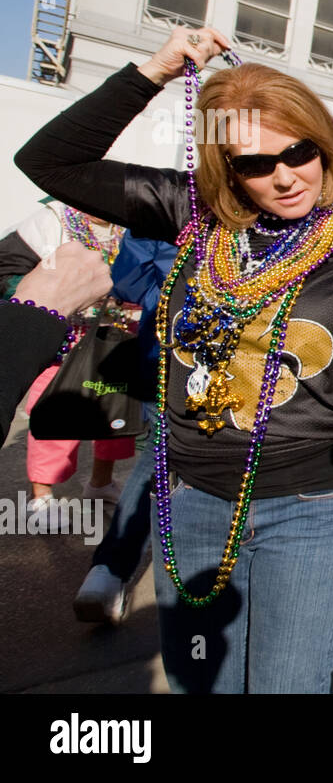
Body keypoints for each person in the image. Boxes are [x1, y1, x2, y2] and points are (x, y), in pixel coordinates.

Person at [15, 25, 333, 693]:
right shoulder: (193, 214)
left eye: (298, 152)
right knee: (202, 684)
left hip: (316, 506)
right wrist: (152, 72)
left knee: (288, 688)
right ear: (227, 169)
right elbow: (52, 163)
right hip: (191, 500)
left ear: (323, 143)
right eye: (254, 163)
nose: (282, 177)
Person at [0, 202, 137, 526]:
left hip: (117, 339)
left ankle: (100, 483)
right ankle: (41, 498)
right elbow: (5, 269)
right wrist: (51, 296)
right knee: (56, 417)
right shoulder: (51, 219)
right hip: (63, 342)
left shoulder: (130, 218)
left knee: (114, 416)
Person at [73, 232, 178, 624]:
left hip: (166, 358)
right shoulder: (271, 204)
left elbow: (127, 281)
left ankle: (108, 573)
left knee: (156, 466)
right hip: (255, 367)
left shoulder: (160, 209)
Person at [1, 244, 113, 443]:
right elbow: (6, 269)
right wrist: (39, 300)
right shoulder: (49, 222)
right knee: (54, 435)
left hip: (97, 342)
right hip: (55, 356)